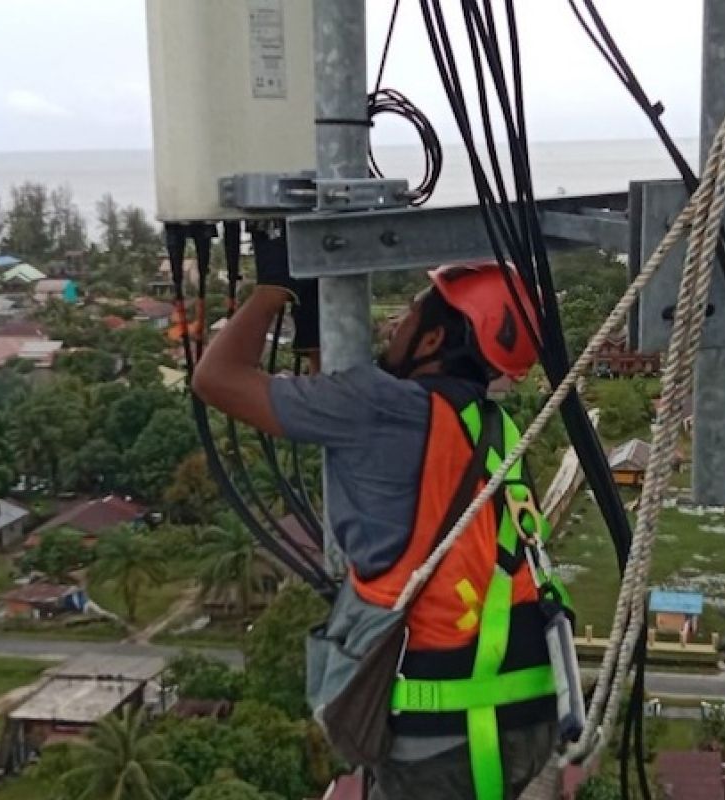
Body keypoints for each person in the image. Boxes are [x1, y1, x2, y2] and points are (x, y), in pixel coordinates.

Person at [193, 228, 563, 799]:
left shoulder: (378, 405)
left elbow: (215, 379)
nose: (396, 326)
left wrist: (271, 291)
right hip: (525, 717)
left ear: (435, 337)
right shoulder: (491, 428)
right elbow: (344, 414)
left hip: (439, 741)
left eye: (411, 315)